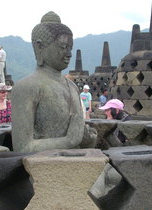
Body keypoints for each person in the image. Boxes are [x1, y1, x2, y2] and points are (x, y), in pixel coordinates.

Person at [11, 11, 93, 153]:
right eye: (62, 47)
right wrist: (69, 141)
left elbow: (77, 134)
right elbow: (22, 147)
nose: (69, 54)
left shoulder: (72, 86)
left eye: (70, 48)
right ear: (40, 47)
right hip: (45, 169)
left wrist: (86, 137)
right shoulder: (26, 87)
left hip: (79, 162)